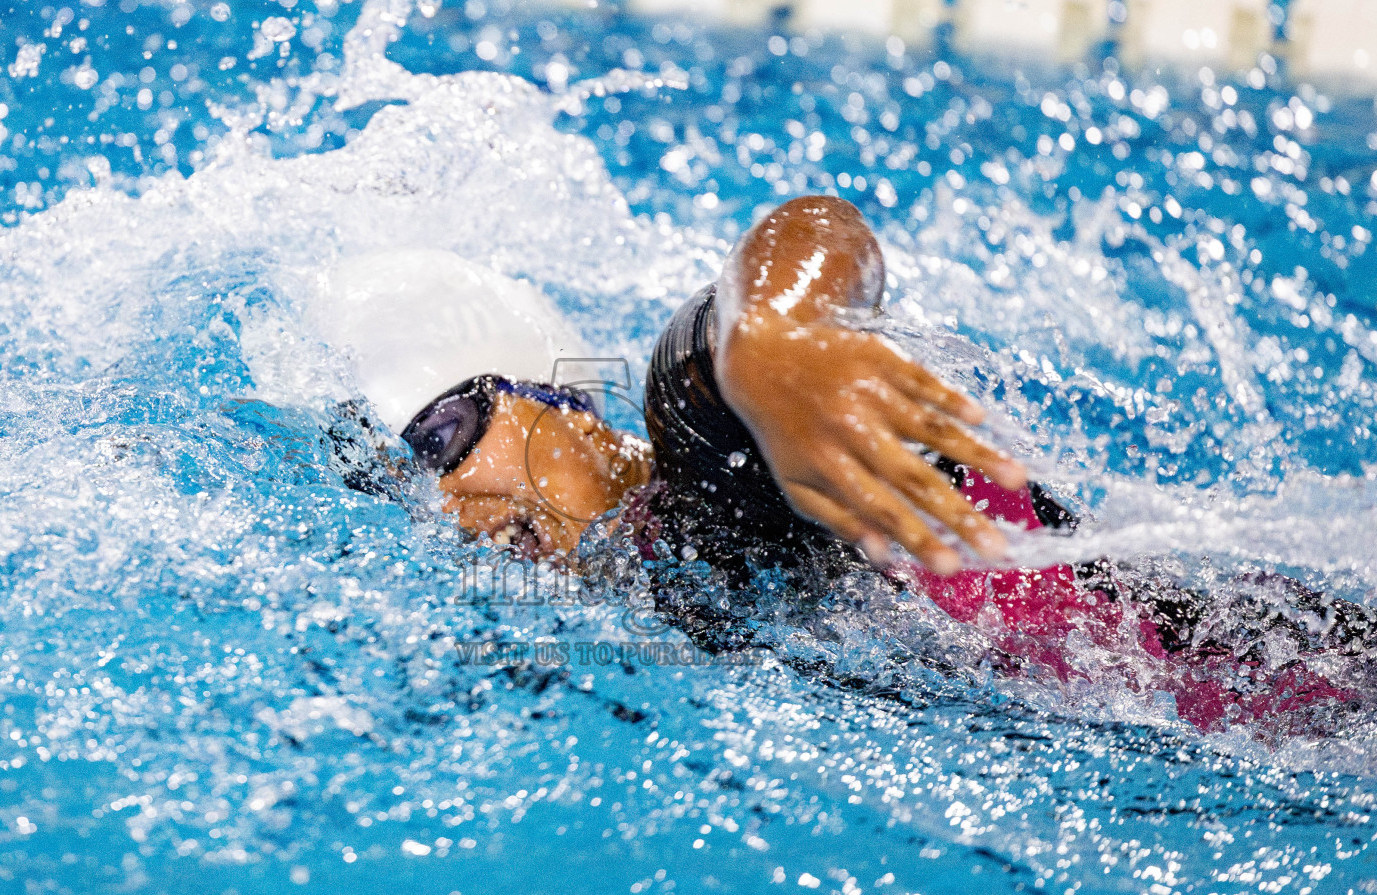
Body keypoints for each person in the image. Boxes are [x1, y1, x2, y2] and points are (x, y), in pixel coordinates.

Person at [312, 196, 1377, 737]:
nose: (446, 504)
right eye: (401, 492)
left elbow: (801, 242)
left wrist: (776, 341)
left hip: (1286, 679)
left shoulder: (713, 447)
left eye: (438, 440)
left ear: (552, 401)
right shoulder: (632, 606)